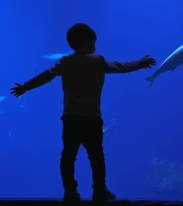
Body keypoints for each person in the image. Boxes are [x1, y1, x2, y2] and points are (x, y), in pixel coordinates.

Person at [10, 23, 156, 202]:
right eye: (93, 42)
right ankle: (99, 190)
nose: (95, 46)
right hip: (92, 118)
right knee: (96, 156)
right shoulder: (98, 61)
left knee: (68, 156)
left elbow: (46, 76)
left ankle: (70, 191)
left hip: (70, 118)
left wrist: (26, 86)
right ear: (88, 42)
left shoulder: (64, 62)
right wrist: (139, 63)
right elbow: (121, 67)